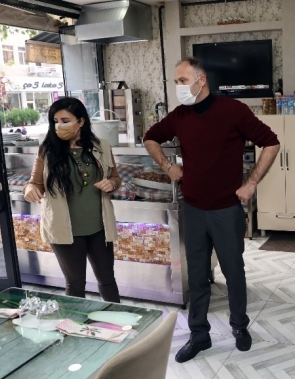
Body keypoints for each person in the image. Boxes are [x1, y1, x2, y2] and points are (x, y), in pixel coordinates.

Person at [143, 58, 280, 363]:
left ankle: (239, 326)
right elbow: (149, 137)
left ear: (201, 80)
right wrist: (167, 166)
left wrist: (251, 183)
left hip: (226, 210)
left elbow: (271, 143)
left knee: (233, 273)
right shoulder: (179, 116)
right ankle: (199, 335)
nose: (178, 87)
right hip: (193, 208)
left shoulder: (233, 111)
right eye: (176, 82)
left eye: (182, 80)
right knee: (197, 276)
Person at [23, 97, 122, 303]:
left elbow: (115, 178)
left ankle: (118, 318)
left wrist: (111, 184)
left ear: (81, 121)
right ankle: (74, 322)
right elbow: (35, 182)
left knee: (107, 279)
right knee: (75, 283)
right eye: (56, 121)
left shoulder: (102, 146)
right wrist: (30, 189)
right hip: (65, 230)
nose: (59, 126)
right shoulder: (47, 150)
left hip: (99, 227)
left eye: (65, 121)